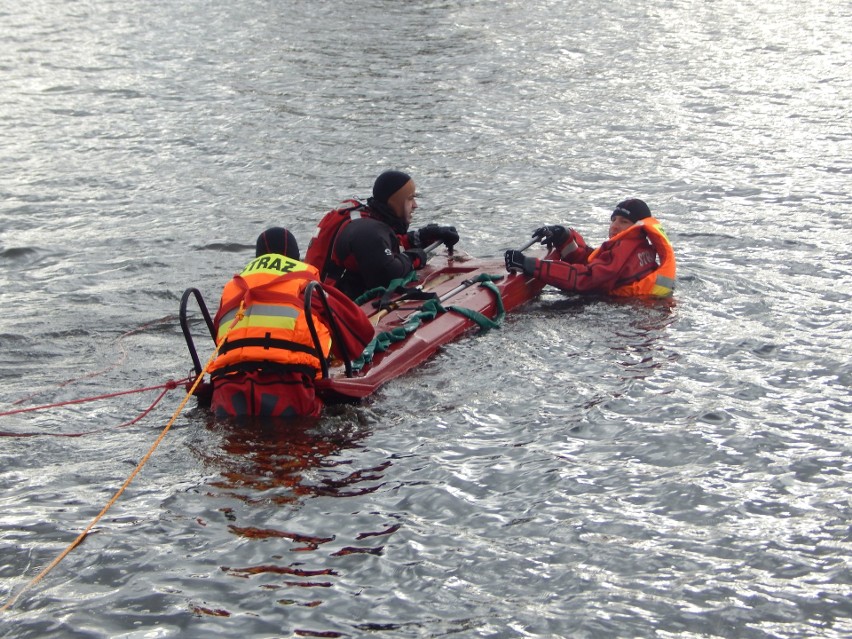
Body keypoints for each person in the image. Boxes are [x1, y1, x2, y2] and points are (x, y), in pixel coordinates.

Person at [208, 227, 375, 419]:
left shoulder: (232, 289)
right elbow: (360, 331)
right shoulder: (305, 285)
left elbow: (218, 338)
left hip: (227, 391)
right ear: (296, 258)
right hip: (290, 391)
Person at [309, 170, 460, 300]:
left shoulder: (362, 218)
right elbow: (388, 274)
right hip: (328, 303)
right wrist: (414, 257)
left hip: (317, 290)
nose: (415, 205)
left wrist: (424, 236)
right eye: (410, 199)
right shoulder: (368, 231)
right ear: (396, 202)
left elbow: (381, 248)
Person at [504, 198, 676, 298]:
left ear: (637, 227)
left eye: (624, 222)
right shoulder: (638, 247)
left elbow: (585, 278)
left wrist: (531, 265)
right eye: (614, 220)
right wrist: (564, 237)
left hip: (625, 309)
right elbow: (593, 263)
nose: (615, 226)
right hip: (640, 307)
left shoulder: (625, 250)